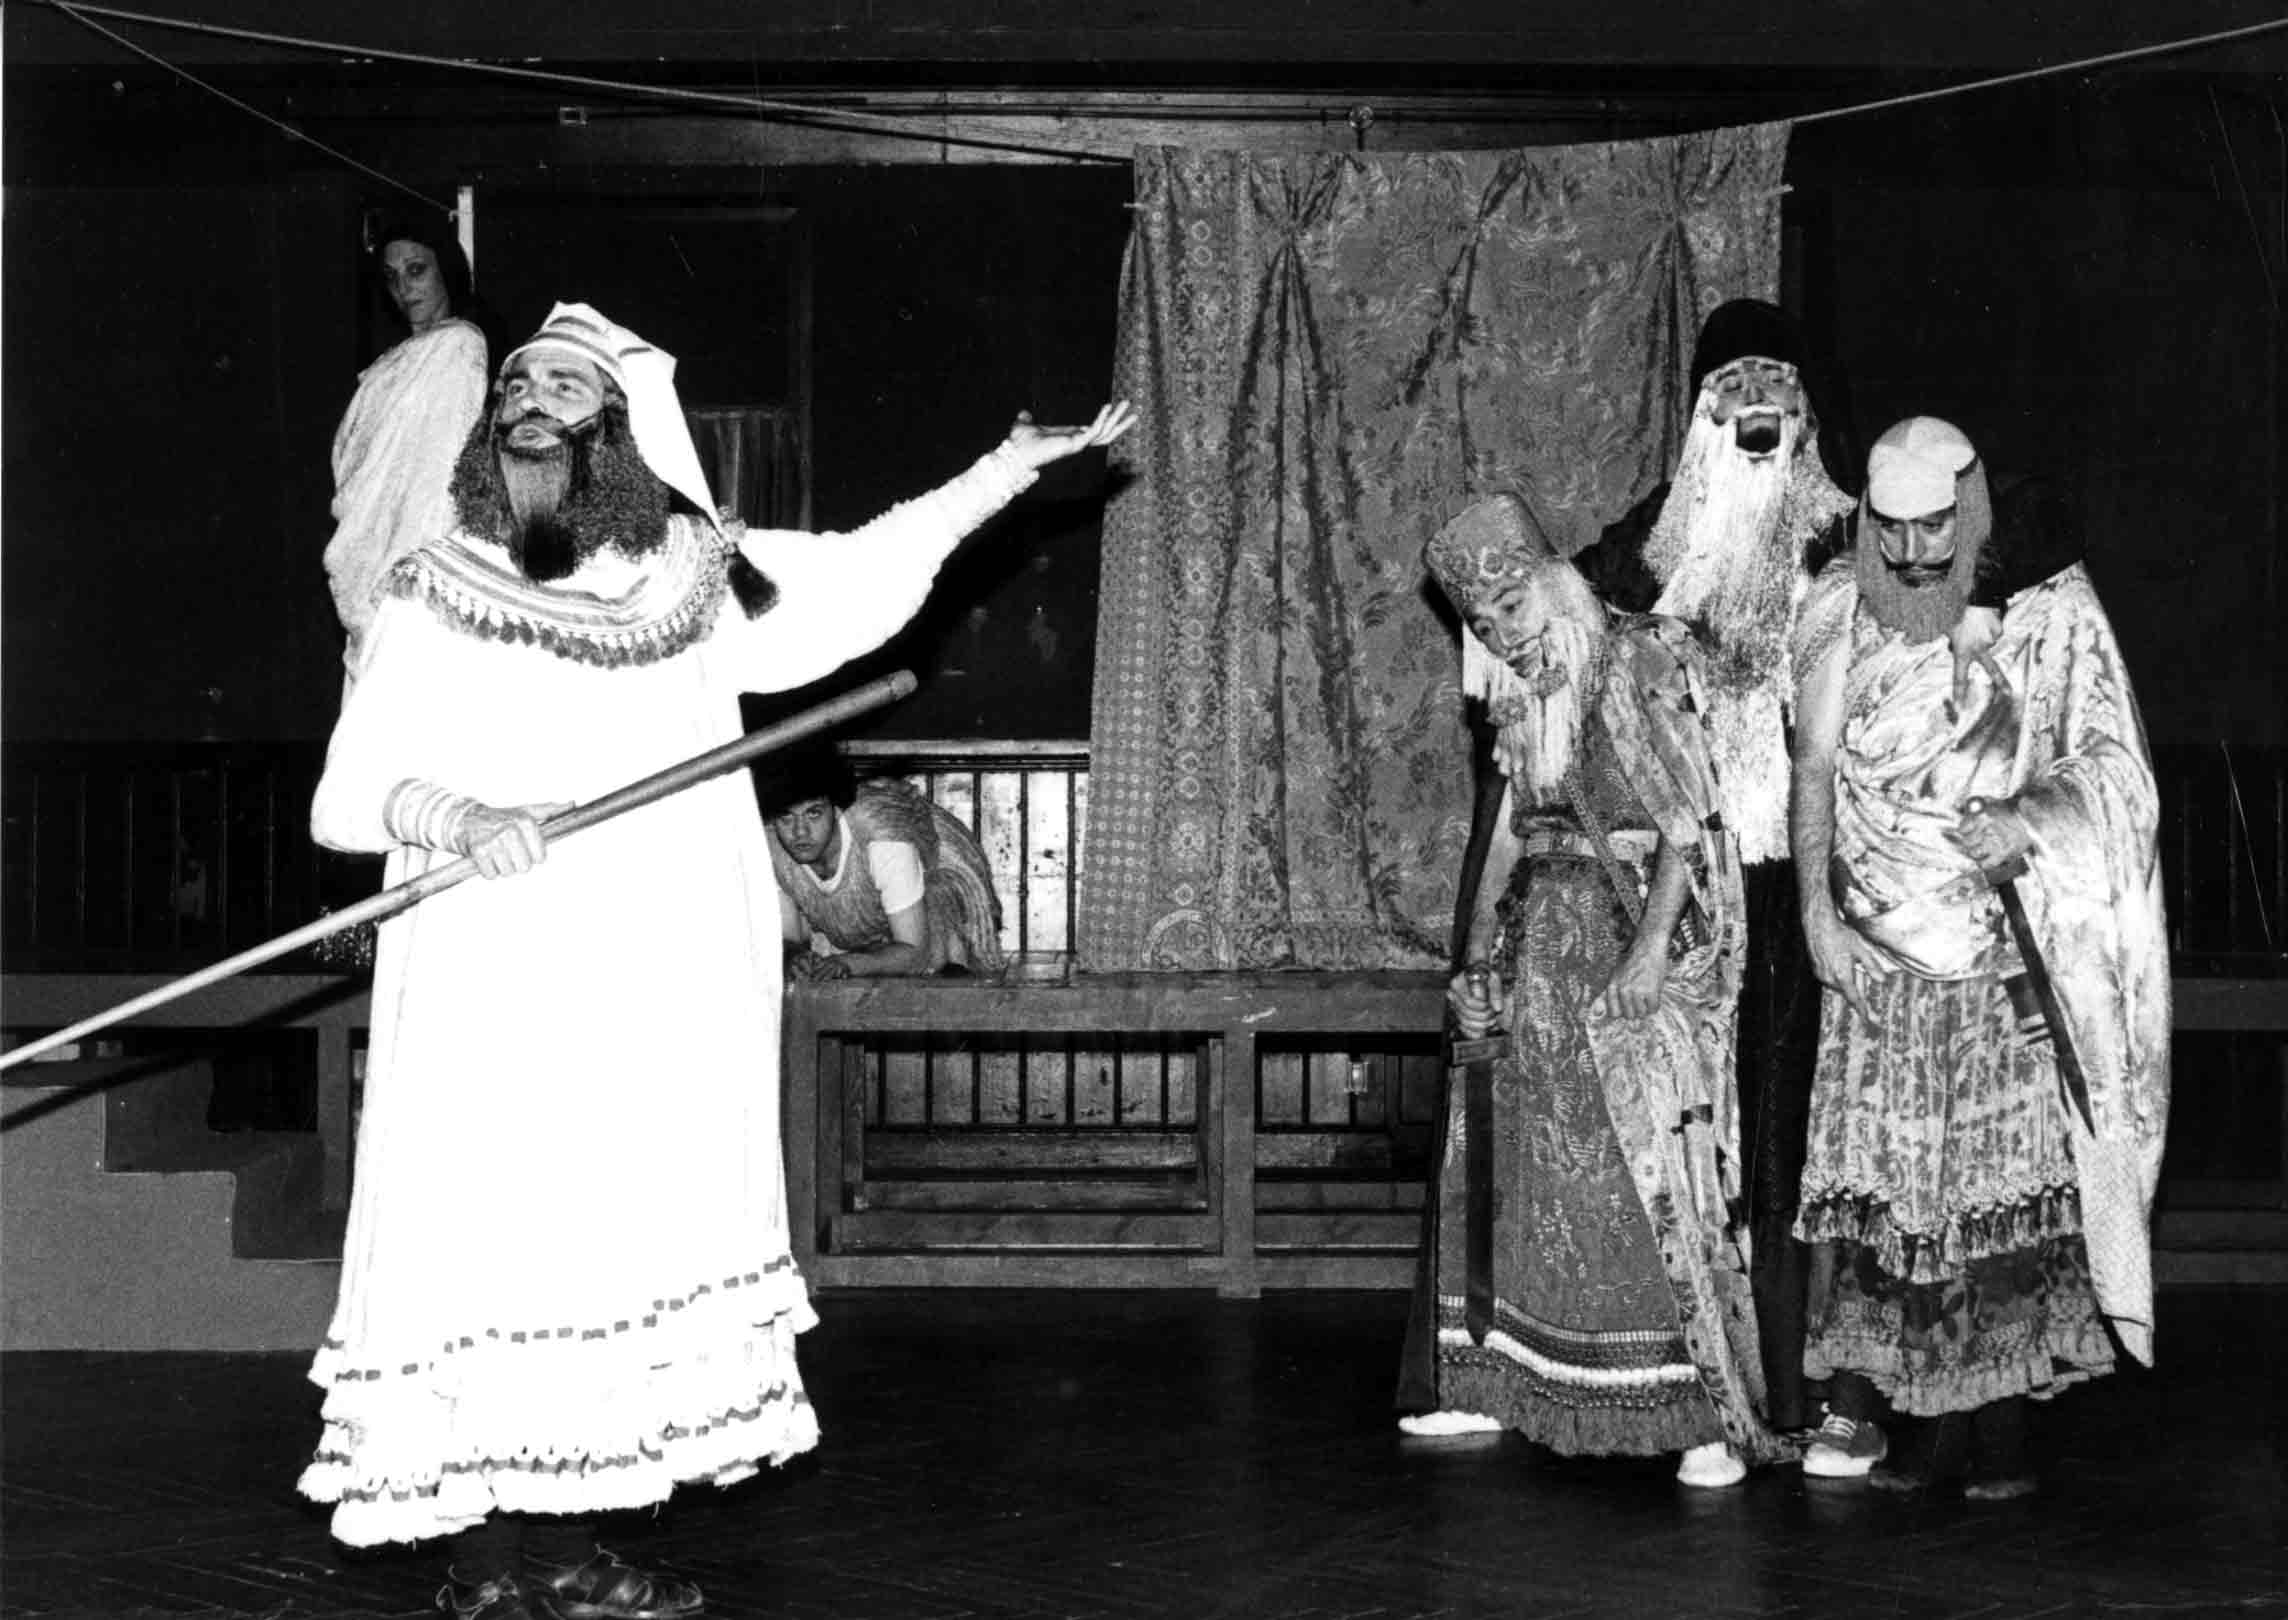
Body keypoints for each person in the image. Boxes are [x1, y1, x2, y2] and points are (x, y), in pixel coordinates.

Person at [299, 298, 1131, 1618]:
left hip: (659, 987)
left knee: (615, 1249)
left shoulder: (697, 574)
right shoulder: (434, 582)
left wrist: (995, 480)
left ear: (617, 432)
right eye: (515, 382)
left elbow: (854, 584)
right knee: (492, 1246)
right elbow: (345, 798)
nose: (528, 398)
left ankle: (567, 1555)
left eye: (564, 388)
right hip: (493, 986)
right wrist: (455, 815)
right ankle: (480, 1570)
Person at [1787, 417, 2169, 1498]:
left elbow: (2113, 772)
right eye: (1888, 530)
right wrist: (1815, 917)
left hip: (1998, 948)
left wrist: (2029, 820)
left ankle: (1995, 1430)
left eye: (1933, 530)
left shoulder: (2050, 616)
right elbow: (1810, 767)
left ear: (1976, 512)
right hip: (1872, 958)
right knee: (1894, 1199)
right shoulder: (1831, 611)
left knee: (1992, 1193)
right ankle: (1919, 1426)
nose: (1910, 555)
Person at [1404, 493, 1785, 1489]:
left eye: (1510, 612)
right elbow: (1504, 836)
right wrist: (1474, 962)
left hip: (1637, 948)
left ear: (1552, 584)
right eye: (1480, 626)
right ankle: (1499, 1385)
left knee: (1642, 1178)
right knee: (1528, 1178)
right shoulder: (1522, 693)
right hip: (1541, 960)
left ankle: (1698, 1410)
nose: (1500, 636)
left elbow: (1686, 819)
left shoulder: (1642, 656)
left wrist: (1650, 955)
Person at [323, 216, 493, 673]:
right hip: (370, 528)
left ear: (446, 271)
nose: (404, 288)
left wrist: (413, 562)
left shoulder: (457, 345)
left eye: (416, 270)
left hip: (413, 538)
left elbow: (438, 466)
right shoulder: (399, 355)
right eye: (393, 277)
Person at [761, 748, 1006, 979]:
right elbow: (793, 937)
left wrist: (850, 964)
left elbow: (915, 953)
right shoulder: (773, 850)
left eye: (813, 813)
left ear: (836, 810)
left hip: (939, 883)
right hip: (857, 924)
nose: (799, 832)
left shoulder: (883, 841)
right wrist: (794, 958)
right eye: (786, 817)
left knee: (939, 958)